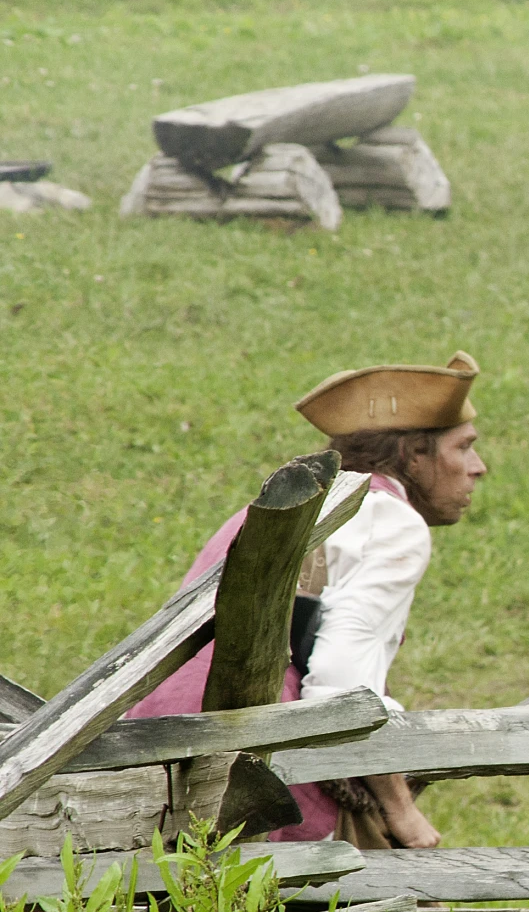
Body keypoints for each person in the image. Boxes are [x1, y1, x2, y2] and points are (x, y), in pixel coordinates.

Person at [129, 352, 488, 849]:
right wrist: (400, 809)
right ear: (414, 455)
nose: (478, 467)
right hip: (257, 782)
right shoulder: (392, 523)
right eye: (465, 447)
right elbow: (341, 687)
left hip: (156, 757)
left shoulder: (279, 510)